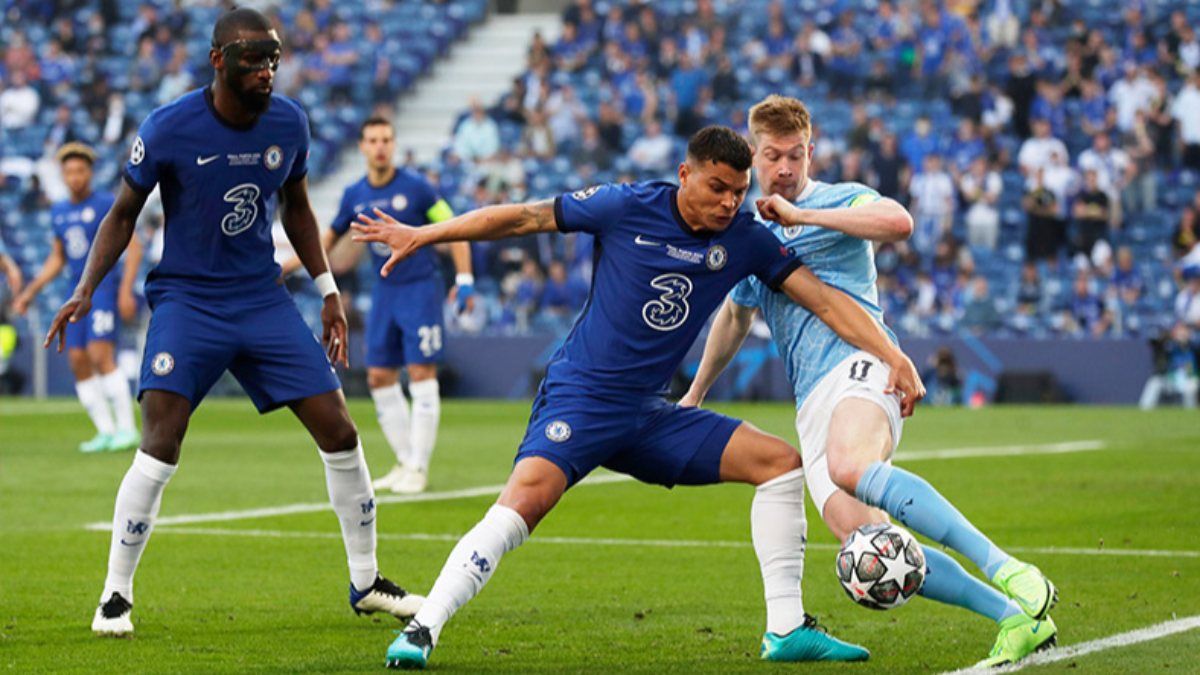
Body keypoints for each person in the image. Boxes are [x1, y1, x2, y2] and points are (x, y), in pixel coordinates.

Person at [354, 126, 926, 668]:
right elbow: (524, 217)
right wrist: (425, 235)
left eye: (739, 191)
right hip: (583, 397)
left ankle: (786, 629)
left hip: (648, 414)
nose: (729, 202)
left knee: (780, 465)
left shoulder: (745, 238)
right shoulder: (625, 206)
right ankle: (423, 627)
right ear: (685, 174)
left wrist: (893, 355)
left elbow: (823, 300)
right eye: (718, 188)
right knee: (525, 501)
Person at [42, 8, 422, 638]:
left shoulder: (289, 122)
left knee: (340, 430)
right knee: (161, 439)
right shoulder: (168, 127)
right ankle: (115, 594)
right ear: (218, 60)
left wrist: (327, 290)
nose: (266, 70)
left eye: (273, 58)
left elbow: (297, 209)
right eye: (253, 59)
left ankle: (366, 582)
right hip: (188, 301)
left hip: (261, 299)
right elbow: (123, 213)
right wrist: (85, 288)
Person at [682, 96, 1058, 669]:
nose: (784, 167)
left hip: (865, 364)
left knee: (849, 465)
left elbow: (898, 222)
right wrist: (696, 393)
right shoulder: (751, 235)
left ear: (811, 151)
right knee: (873, 542)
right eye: (773, 156)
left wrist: (802, 217)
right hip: (812, 400)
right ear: (754, 156)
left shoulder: (839, 199)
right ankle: (1015, 619)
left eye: (795, 154)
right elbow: (735, 316)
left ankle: (1008, 567)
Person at [283, 116, 472, 494]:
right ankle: (404, 461)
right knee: (379, 377)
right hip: (385, 292)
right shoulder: (355, 194)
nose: (380, 146)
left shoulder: (418, 188)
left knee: (421, 372)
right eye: (373, 140)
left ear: (394, 144)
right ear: (362, 147)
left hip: (420, 289)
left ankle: (418, 467)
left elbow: (454, 228)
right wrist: (283, 268)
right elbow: (325, 241)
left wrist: (465, 279)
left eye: (386, 139)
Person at [14, 142, 140, 453]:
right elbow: (58, 258)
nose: (75, 177)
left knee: (101, 355)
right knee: (78, 361)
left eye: (80, 171)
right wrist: (31, 291)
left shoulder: (106, 203)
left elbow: (134, 246)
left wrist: (125, 289)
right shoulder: (59, 211)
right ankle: (106, 431)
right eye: (69, 171)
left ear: (90, 173)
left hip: (103, 290)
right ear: (62, 174)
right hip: (74, 294)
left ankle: (127, 429)